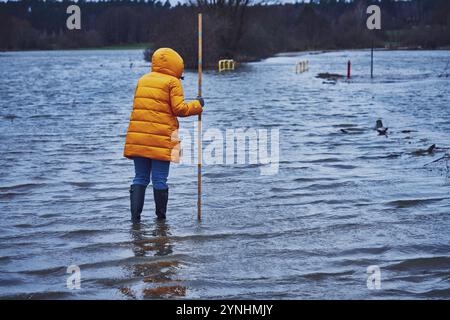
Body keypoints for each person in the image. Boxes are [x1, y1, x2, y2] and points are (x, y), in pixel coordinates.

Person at [123, 48, 204, 223]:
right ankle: (161, 221)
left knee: (140, 177)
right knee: (159, 179)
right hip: (161, 138)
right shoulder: (173, 82)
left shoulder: (142, 80)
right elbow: (179, 109)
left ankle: (135, 221)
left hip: (139, 137)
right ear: (176, 66)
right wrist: (198, 105)